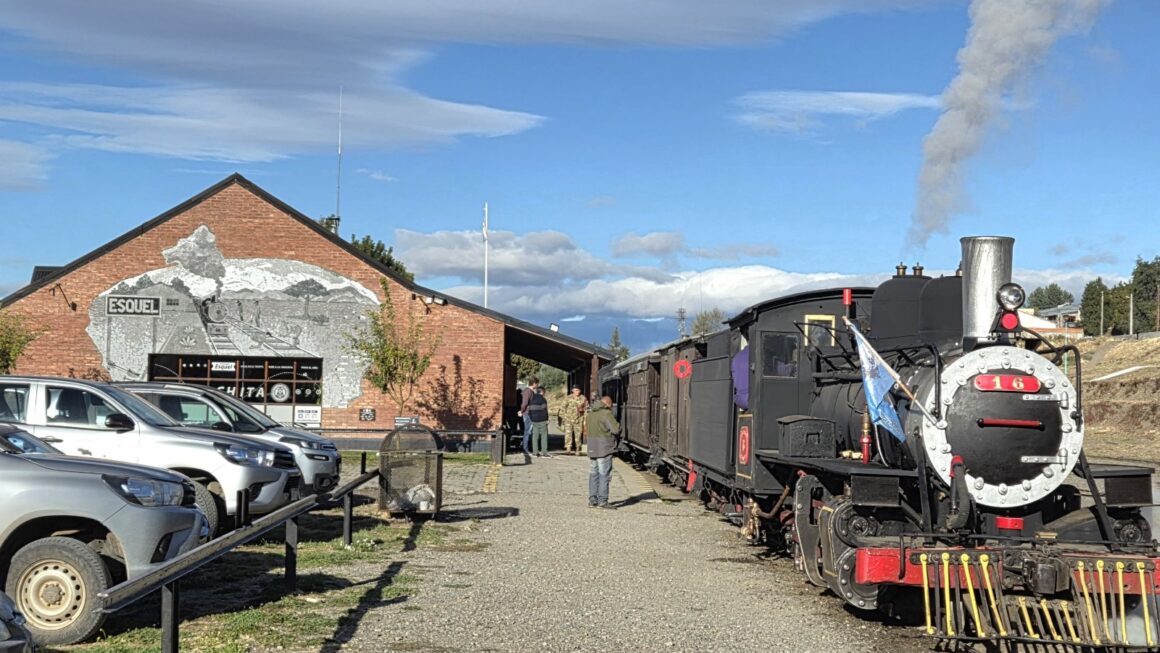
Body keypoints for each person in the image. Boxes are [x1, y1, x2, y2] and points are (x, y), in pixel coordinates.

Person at [586, 395, 620, 509]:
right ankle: (603, 501)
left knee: (593, 474)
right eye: (610, 406)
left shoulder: (590, 413)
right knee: (604, 474)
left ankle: (592, 500)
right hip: (604, 448)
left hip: (592, 447)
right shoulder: (606, 414)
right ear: (607, 404)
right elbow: (615, 429)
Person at [556, 384, 588, 455]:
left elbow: (586, 409)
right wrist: (563, 417)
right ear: (572, 391)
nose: (577, 392)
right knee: (568, 434)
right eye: (575, 390)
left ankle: (577, 448)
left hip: (578, 419)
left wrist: (585, 419)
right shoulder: (568, 398)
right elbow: (562, 408)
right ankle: (568, 448)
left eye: (578, 390)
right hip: (568, 419)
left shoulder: (583, 398)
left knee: (578, 435)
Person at [517, 377, 539, 461]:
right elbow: (525, 403)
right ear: (534, 384)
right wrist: (521, 411)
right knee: (528, 431)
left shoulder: (528, 391)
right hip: (527, 413)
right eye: (537, 383)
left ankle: (526, 447)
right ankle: (525, 449)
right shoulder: (528, 392)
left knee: (528, 431)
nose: (537, 385)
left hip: (528, 413)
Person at [527, 386, 550, 457]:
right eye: (544, 392)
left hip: (534, 419)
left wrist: (531, 418)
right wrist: (546, 419)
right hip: (542, 419)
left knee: (535, 436)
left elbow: (529, 410)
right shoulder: (543, 400)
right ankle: (544, 452)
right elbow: (544, 410)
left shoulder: (531, 399)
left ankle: (535, 452)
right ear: (542, 392)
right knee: (544, 435)